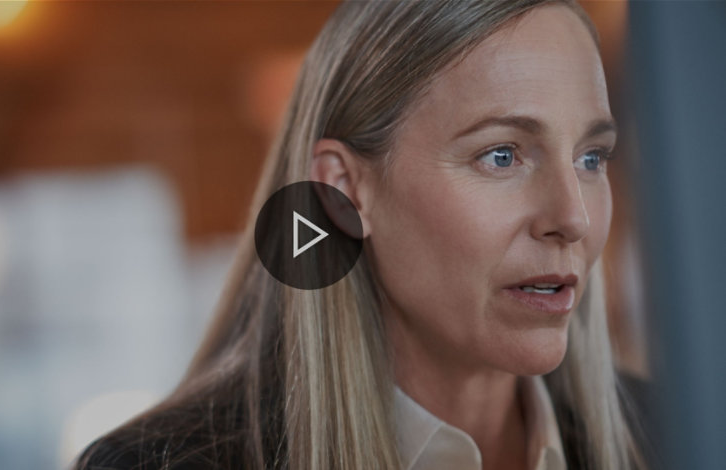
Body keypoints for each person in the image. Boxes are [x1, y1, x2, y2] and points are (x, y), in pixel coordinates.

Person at [74, 1, 651, 469]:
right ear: (344, 191)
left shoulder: (685, 435)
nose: (572, 218)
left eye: (592, 157)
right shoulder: (157, 464)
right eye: (501, 155)